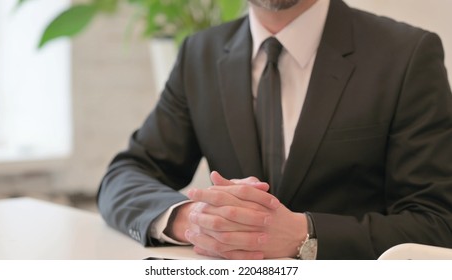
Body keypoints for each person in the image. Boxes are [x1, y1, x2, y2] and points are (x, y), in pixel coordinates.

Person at [97, 0, 452, 259]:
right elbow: (125, 175)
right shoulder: (199, 53)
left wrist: (306, 233)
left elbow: (438, 222)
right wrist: (192, 220)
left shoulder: (406, 55)